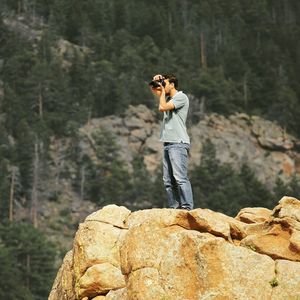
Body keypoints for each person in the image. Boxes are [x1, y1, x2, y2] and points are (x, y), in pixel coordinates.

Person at [150, 74, 194, 210]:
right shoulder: (169, 98)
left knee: (180, 178)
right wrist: (156, 81)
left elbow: (162, 107)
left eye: (165, 84)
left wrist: (162, 90)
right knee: (168, 181)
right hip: (168, 143)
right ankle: (174, 208)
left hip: (178, 142)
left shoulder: (181, 97)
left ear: (172, 85)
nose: (163, 87)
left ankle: (187, 208)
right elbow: (154, 90)